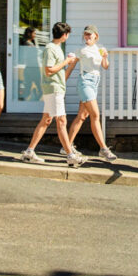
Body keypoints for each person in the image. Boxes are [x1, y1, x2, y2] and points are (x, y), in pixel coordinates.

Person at [22, 22, 85, 167]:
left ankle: (29, 151)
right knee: (61, 121)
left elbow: (59, 73)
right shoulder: (51, 49)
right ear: (64, 35)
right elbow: (49, 70)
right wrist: (66, 62)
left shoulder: (56, 48)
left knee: (46, 120)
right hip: (53, 89)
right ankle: (70, 155)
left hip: (56, 87)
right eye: (67, 34)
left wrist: (70, 64)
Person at [64, 25, 118, 161]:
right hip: (85, 82)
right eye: (85, 34)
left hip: (95, 83)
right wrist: (61, 81)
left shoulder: (99, 50)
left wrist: (105, 56)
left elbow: (105, 66)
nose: (87, 37)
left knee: (82, 116)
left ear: (96, 36)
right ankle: (103, 149)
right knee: (95, 115)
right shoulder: (81, 50)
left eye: (90, 34)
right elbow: (71, 67)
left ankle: (67, 146)